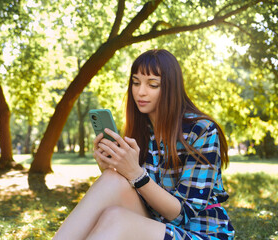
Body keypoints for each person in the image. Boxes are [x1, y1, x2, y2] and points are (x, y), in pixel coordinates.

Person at [53, 49, 234, 240]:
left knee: (117, 220)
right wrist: (109, 167)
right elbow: (135, 196)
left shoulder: (202, 130)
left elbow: (183, 214)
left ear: (171, 88)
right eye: (136, 83)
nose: (140, 92)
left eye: (152, 84)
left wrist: (135, 174)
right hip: (155, 225)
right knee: (111, 182)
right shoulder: (139, 132)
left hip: (201, 232)